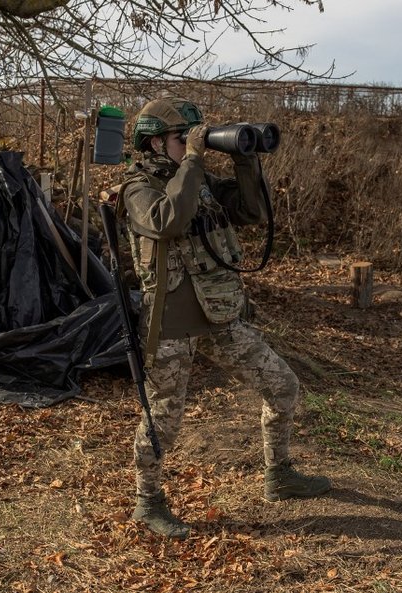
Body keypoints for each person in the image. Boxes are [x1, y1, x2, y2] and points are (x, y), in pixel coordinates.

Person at [116, 96, 331, 539]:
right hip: (170, 324)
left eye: (193, 137)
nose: (192, 143)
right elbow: (168, 220)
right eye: (182, 137)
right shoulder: (138, 189)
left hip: (221, 316)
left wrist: (245, 161)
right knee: (163, 423)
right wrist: (193, 161)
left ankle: (280, 474)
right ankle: (148, 502)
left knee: (283, 385)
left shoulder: (198, 180)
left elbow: (251, 212)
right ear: (155, 143)